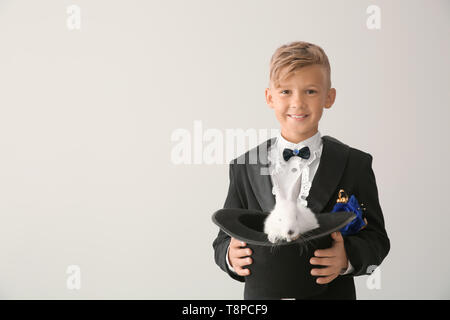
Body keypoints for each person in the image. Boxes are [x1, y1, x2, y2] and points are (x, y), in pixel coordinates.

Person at [212, 41, 390, 299]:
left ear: (329, 97)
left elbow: (377, 239)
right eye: (285, 91)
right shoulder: (244, 166)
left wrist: (346, 258)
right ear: (269, 97)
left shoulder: (355, 164)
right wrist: (229, 256)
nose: (297, 103)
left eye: (310, 91)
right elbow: (222, 240)